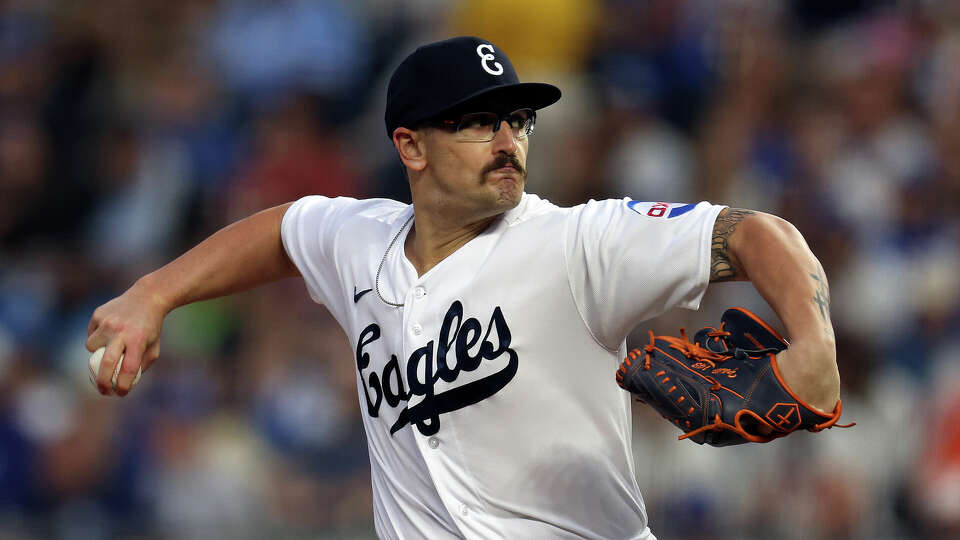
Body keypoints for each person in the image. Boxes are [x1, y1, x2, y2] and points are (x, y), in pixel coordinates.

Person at [86, 37, 842, 539]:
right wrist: (153, 294)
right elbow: (284, 230)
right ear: (409, 145)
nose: (509, 141)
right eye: (479, 124)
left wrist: (812, 343)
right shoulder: (362, 241)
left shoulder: (577, 243)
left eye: (517, 120)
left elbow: (754, 232)